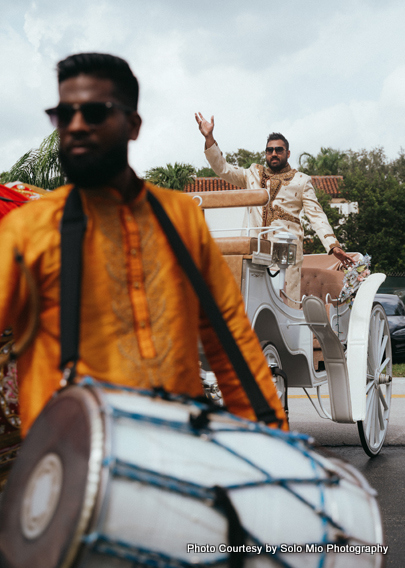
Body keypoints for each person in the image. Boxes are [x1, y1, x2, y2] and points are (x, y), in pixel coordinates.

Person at [0, 53, 287, 436]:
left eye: (95, 113)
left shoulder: (180, 218)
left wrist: (273, 449)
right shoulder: (28, 229)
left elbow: (232, 345)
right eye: (64, 115)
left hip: (178, 458)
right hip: (68, 471)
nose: (77, 126)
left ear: (133, 125)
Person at [195, 113, 355, 305]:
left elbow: (316, 215)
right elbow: (223, 169)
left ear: (288, 153)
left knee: (288, 300)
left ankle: (292, 332)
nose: (274, 154)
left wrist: (332, 245)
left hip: (286, 249)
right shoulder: (252, 173)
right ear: (265, 153)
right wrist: (209, 138)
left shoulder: (301, 181)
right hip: (255, 248)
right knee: (250, 299)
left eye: (279, 150)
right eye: (270, 150)